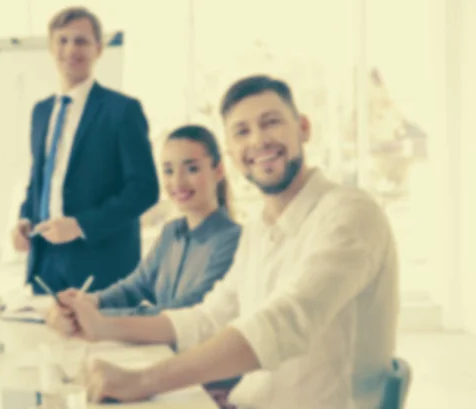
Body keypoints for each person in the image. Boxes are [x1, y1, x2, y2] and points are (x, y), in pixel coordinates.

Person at [47, 75, 400, 409]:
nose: (258, 141)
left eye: (271, 122)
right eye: (242, 131)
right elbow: (207, 319)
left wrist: (142, 381)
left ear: (303, 128)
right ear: (231, 153)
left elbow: (285, 322)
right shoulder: (259, 230)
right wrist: (101, 326)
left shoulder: (350, 213)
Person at [11, 7, 159, 294]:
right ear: (51, 48)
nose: (71, 49)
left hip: (101, 263)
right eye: (62, 40)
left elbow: (145, 189)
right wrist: (24, 219)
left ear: (98, 49)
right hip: (44, 263)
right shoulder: (41, 112)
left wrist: (80, 225)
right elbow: (40, 181)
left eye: (81, 41)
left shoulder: (122, 110)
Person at [57, 124, 241, 317]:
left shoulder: (232, 240)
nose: (177, 182)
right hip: (156, 345)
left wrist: (97, 316)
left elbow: (187, 311)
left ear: (218, 171)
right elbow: (137, 286)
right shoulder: (171, 232)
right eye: (168, 171)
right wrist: (92, 301)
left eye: (192, 169)